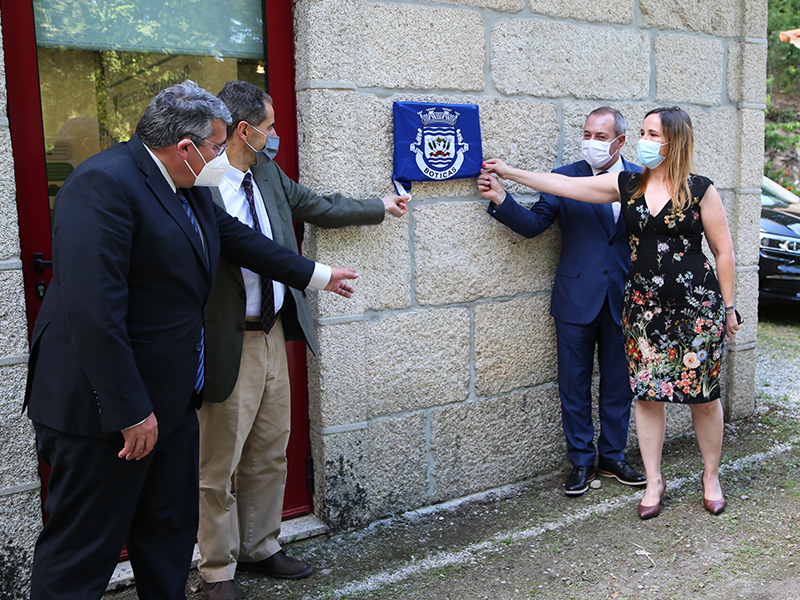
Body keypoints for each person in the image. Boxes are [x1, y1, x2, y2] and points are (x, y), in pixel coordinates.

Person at [24, 80, 360, 600]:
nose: (223, 156)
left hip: (174, 400)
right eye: (217, 145)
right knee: (83, 549)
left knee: (167, 532)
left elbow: (240, 240)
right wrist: (130, 410)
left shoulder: (191, 188)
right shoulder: (103, 185)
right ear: (186, 147)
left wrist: (317, 275)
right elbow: (96, 314)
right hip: (104, 411)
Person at [196, 80, 408, 600]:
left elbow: (316, 205)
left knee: (270, 449)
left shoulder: (266, 173)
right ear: (242, 131)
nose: (275, 137)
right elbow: (243, 249)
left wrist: (379, 206)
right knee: (217, 463)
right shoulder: (203, 185)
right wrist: (319, 273)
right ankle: (217, 568)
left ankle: (262, 547)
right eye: (268, 128)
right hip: (226, 340)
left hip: (271, 332)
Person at [480, 106, 739, 519]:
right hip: (638, 307)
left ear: (675, 141)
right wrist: (510, 175)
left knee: (700, 398)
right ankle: (644, 479)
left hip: (693, 307)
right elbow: (562, 186)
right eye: (642, 132)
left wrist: (729, 307)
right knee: (641, 396)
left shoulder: (700, 189)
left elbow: (724, 252)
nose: (644, 140)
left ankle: (704, 475)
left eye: (652, 134)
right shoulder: (627, 184)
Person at [484, 107, 645, 496]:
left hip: (624, 298)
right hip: (575, 298)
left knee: (618, 384)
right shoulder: (564, 176)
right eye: (587, 133)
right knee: (572, 384)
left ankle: (613, 456)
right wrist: (504, 201)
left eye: (601, 136)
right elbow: (534, 225)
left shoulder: (641, 179)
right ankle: (581, 462)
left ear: (621, 141)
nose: (591, 141)